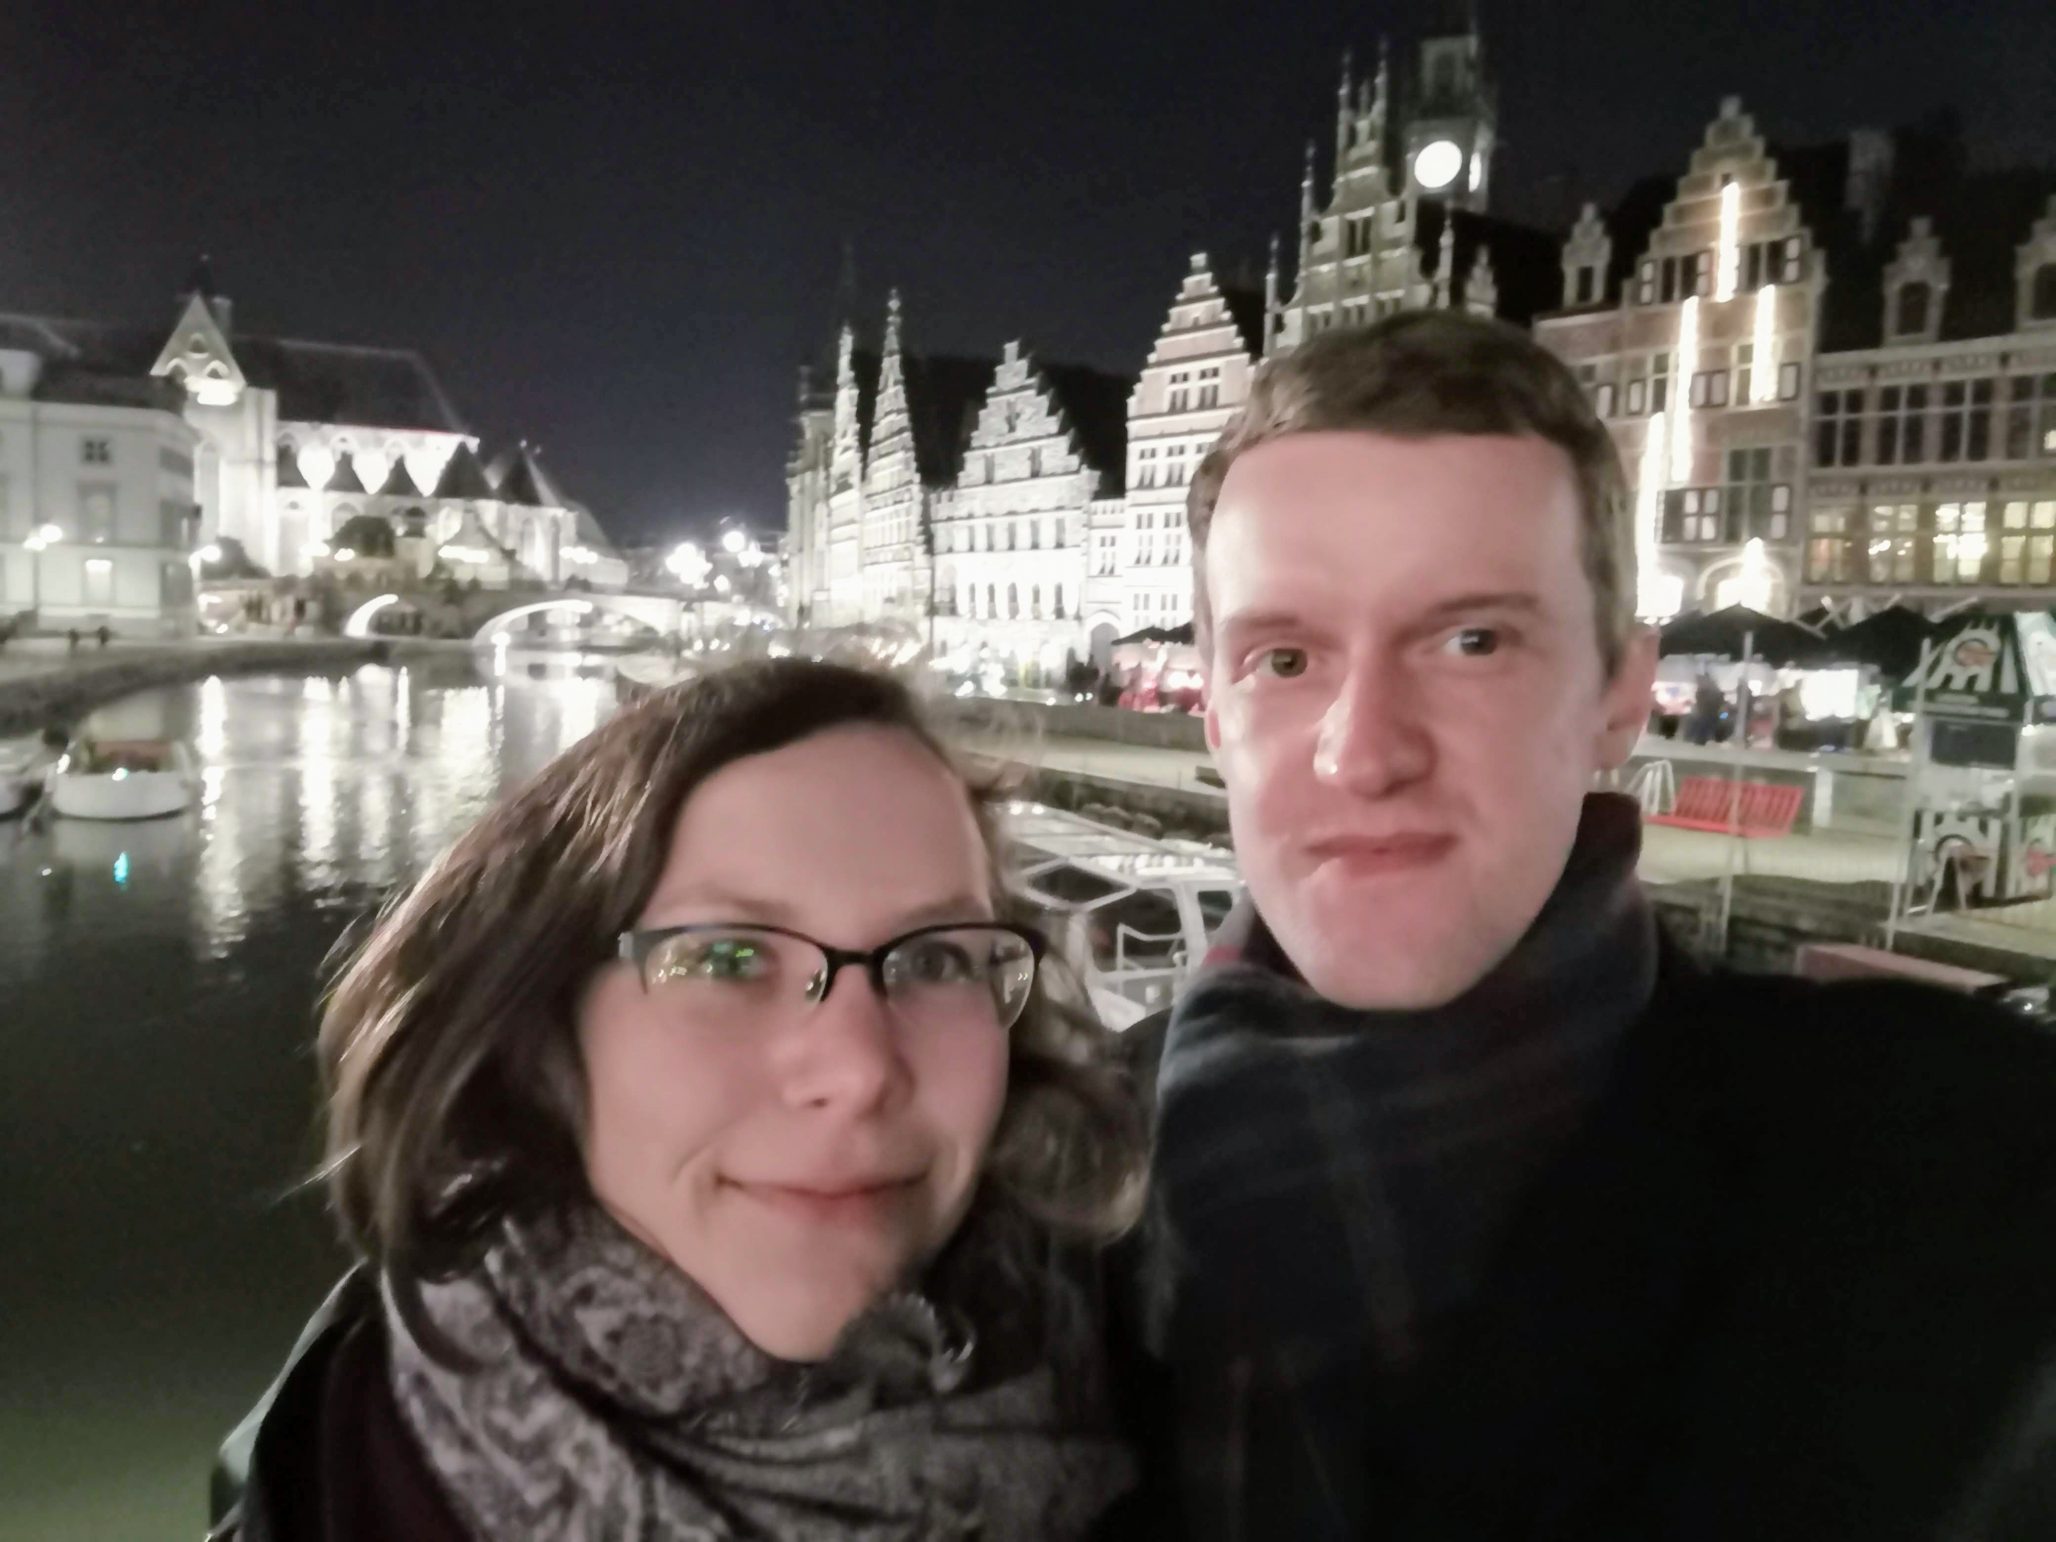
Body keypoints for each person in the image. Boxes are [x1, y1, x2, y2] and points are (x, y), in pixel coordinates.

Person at [1114, 312, 2056, 1540]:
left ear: (1619, 692)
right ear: (1212, 711)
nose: (1363, 753)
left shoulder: (1954, 1176)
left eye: (1472, 641)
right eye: (1283, 660)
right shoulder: (1057, 1189)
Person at [210, 658, 1146, 1541]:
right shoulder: (341, 1488)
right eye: (726, 958)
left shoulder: (1138, 1348)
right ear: (541, 1037)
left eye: (937, 959)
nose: (859, 1068)